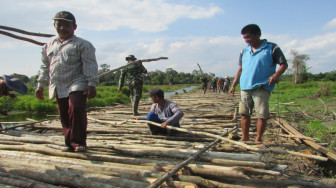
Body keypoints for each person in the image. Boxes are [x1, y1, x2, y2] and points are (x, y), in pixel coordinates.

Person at [35, 11, 99, 152]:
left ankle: (79, 142)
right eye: (59, 25)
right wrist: (41, 86)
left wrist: (91, 84)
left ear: (74, 27)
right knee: (64, 114)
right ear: (54, 25)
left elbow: (90, 65)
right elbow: (45, 66)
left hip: (77, 82)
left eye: (66, 25)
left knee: (75, 108)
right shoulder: (48, 46)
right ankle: (69, 143)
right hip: (58, 84)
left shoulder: (83, 44)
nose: (62, 28)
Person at [229, 24, 288, 143]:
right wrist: (234, 85)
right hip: (245, 87)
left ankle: (258, 139)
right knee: (244, 114)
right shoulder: (244, 51)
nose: (246, 40)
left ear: (258, 35)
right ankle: (244, 137)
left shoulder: (272, 48)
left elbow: (283, 64)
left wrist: (276, 75)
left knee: (262, 115)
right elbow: (240, 69)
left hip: (262, 87)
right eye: (244, 38)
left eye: (249, 37)